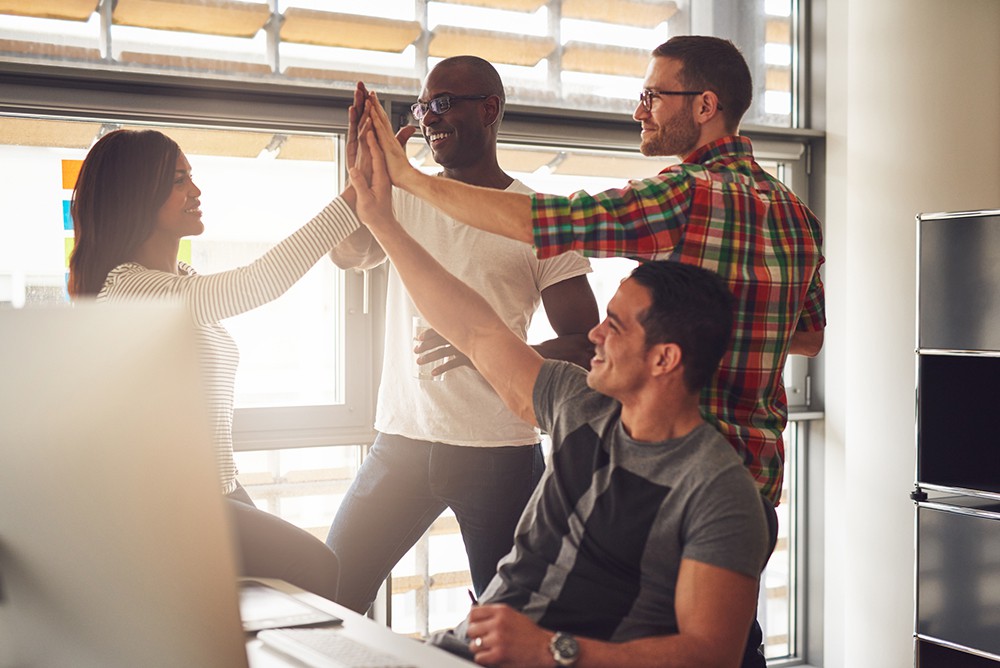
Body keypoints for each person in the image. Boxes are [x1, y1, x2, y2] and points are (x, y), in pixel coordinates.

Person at [346, 135, 771, 667]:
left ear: (664, 359)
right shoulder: (577, 405)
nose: (593, 335)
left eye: (613, 327)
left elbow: (710, 655)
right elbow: (477, 331)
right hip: (465, 653)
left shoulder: (719, 491)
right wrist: (382, 221)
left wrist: (552, 651)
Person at [325, 56, 599, 614]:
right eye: (424, 106)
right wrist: (364, 177)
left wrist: (486, 350)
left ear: (491, 109)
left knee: (512, 616)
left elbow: (585, 343)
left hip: (497, 453)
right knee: (330, 588)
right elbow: (346, 254)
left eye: (444, 103)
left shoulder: (535, 217)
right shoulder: (401, 199)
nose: (429, 117)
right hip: (400, 441)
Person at [67, 128, 362, 602]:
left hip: (215, 489)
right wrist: (355, 196)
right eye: (178, 180)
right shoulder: (129, 290)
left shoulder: (178, 280)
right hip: (166, 504)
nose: (196, 191)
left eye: (192, 177)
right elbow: (259, 282)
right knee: (316, 568)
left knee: (281, 591)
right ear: (136, 195)